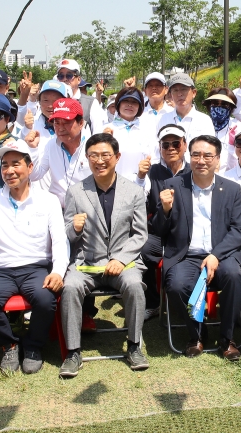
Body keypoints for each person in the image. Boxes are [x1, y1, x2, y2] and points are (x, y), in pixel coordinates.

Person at [0, 140, 67, 375]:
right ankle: (9, 344)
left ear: (30, 168)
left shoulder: (48, 200)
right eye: (4, 165)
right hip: (1, 270)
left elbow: (60, 241)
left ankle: (33, 346)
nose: (9, 171)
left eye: (16, 164)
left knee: (45, 298)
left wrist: (58, 271)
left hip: (36, 267)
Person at [59, 133, 149, 377]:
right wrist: (74, 228)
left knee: (134, 285)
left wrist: (120, 259)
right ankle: (73, 352)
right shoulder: (76, 191)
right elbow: (67, 235)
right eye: (93, 156)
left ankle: (134, 346)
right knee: (70, 287)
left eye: (105, 155)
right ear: (87, 159)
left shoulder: (133, 191)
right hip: (87, 262)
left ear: (117, 157)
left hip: (124, 262)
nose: (99, 160)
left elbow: (140, 234)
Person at [152, 135, 241, 360]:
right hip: (186, 255)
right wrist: (164, 210)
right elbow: (158, 229)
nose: (201, 160)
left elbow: (238, 230)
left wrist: (216, 255)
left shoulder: (231, 189)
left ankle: (227, 339)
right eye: (196, 155)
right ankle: (197, 333)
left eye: (207, 156)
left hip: (221, 255)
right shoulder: (173, 185)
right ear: (189, 156)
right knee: (175, 285)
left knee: (234, 277)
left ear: (217, 160)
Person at [141, 124, 191, 320]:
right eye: (166, 144)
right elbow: (139, 198)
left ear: (185, 145)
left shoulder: (193, 169)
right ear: (159, 147)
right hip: (159, 231)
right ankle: (153, 302)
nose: (171, 148)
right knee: (142, 249)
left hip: (186, 232)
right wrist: (139, 176)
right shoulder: (152, 172)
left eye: (176, 143)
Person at [103, 88, 154, 183]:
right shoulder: (106, 130)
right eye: (125, 100)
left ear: (140, 106)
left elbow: (153, 160)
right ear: (118, 104)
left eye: (134, 102)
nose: (130, 104)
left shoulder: (148, 130)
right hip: (111, 186)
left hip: (139, 187)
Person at [156, 74, 216, 147]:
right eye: (175, 90)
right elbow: (157, 147)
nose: (179, 94)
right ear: (171, 95)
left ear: (194, 93)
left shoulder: (204, 120)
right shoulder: (164, 119)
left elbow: (210, 148)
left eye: (184, 89)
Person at [140, 72, 174, 138]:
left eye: (158, 85)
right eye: (150, 85)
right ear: (145, 91)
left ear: (166, 90)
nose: (154, 88)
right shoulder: (139, 114)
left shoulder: (173, 113)